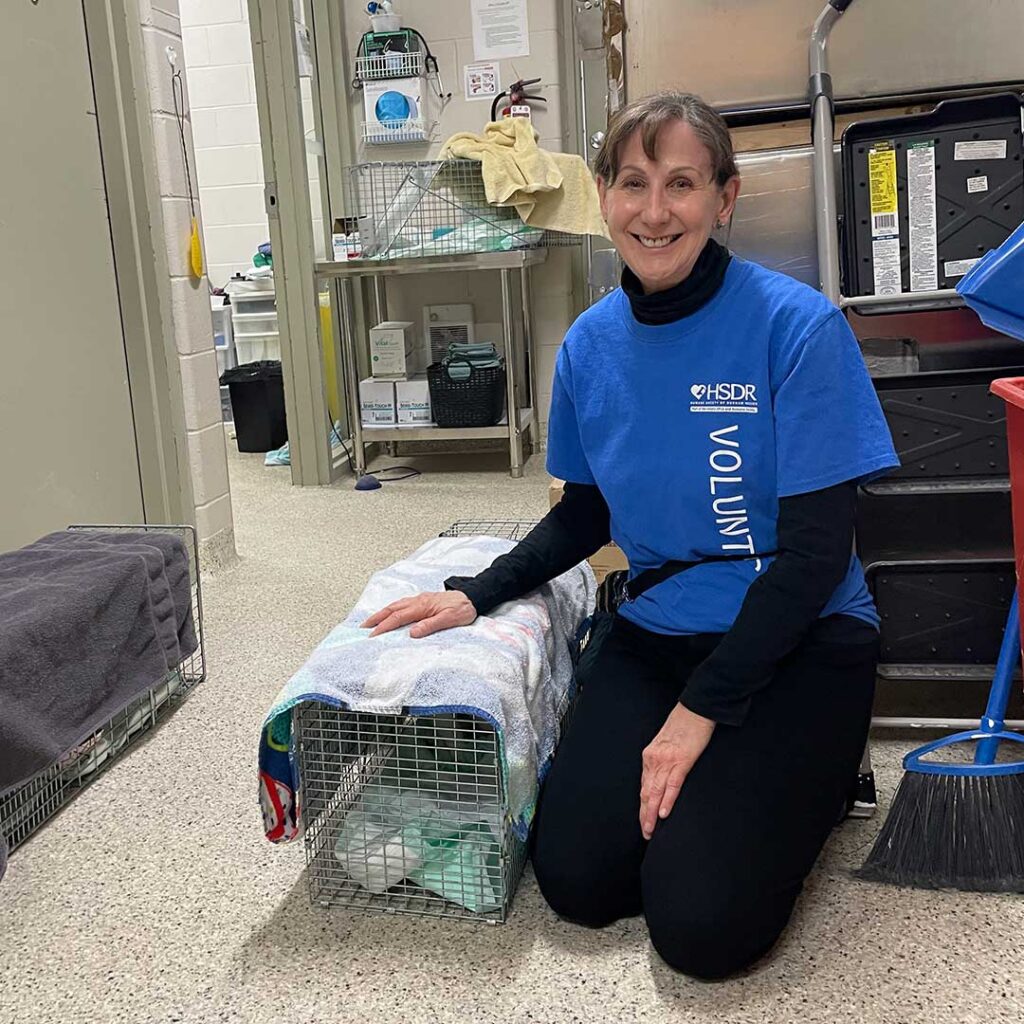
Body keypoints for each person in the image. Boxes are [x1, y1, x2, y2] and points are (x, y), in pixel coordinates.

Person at [362, 92, 899, 979]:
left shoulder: (796, 328)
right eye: (635, 184)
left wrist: (701, 714)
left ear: (724, 199)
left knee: (701, 930)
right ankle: (731, 795)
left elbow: (814, 558)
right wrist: (479, 590)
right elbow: (588, 511)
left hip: (802, 638)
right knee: (580, 880)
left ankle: (821, 778)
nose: (656, 212)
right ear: (603, 195)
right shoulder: (588, 348)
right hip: (661, 631)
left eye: (682, 184)